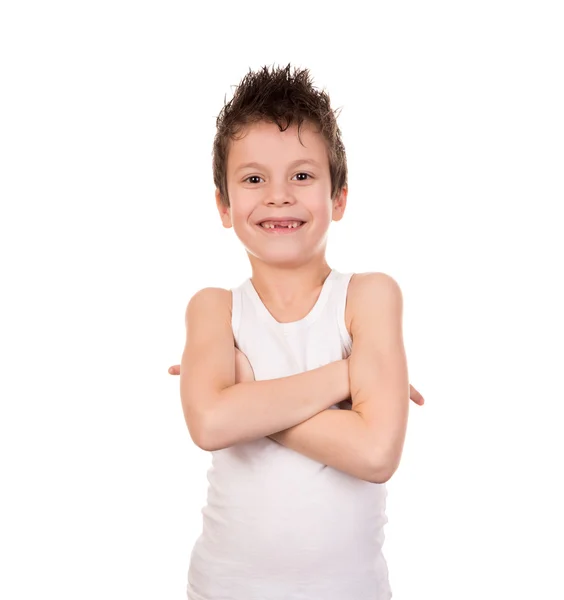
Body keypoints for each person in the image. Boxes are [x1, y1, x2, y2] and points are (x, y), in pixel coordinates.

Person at [168, 63, 424, 600]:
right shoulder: (213, 309)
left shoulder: (369, 296)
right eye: (254, 178)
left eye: (302, 175)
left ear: (339, 198)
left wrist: (246, 397)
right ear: (223, 204)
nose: (279, 195)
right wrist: (351, 375)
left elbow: (376, 454)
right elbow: (211, 424)